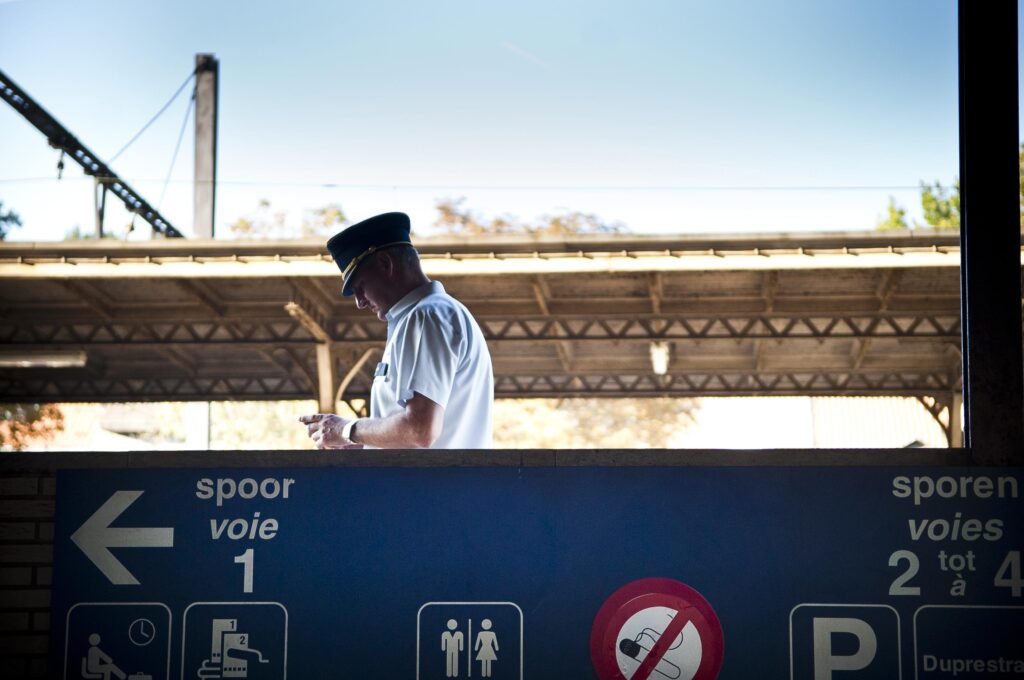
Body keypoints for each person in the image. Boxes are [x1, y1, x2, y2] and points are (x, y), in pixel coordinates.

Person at [300, 212, 493, 449]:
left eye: (360, 287)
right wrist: (361, 443)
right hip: (440, 483)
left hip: (431, 486)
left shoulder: (425, 316)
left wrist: (347, 429)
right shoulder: (435, 314)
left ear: (385, 264)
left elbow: (420, 430)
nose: (360, 302)